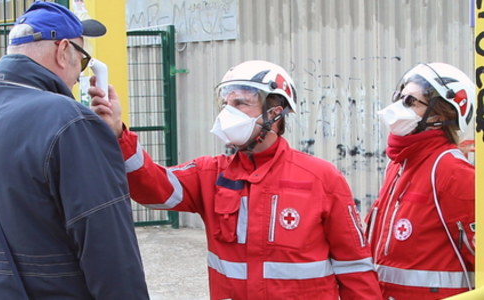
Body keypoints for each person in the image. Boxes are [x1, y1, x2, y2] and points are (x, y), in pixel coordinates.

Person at [90, 60, 382, 299]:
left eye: (241, 103)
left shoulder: (321, 178)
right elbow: (153, 189)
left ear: (274, 112)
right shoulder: (210, 174)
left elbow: (354, 266)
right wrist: (118, 134)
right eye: (226, 103)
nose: (228, 112)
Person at [0, 2, 149, 299]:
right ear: (62, 49)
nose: (79, 76)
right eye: (82, 61)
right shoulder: (69, 121)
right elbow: (109, 249)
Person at [367, 62, 476, 299]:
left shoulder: (453, 171)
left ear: (440, 114)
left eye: (410, 102)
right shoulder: (398, 164)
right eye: (400, 97)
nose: (397, 107)